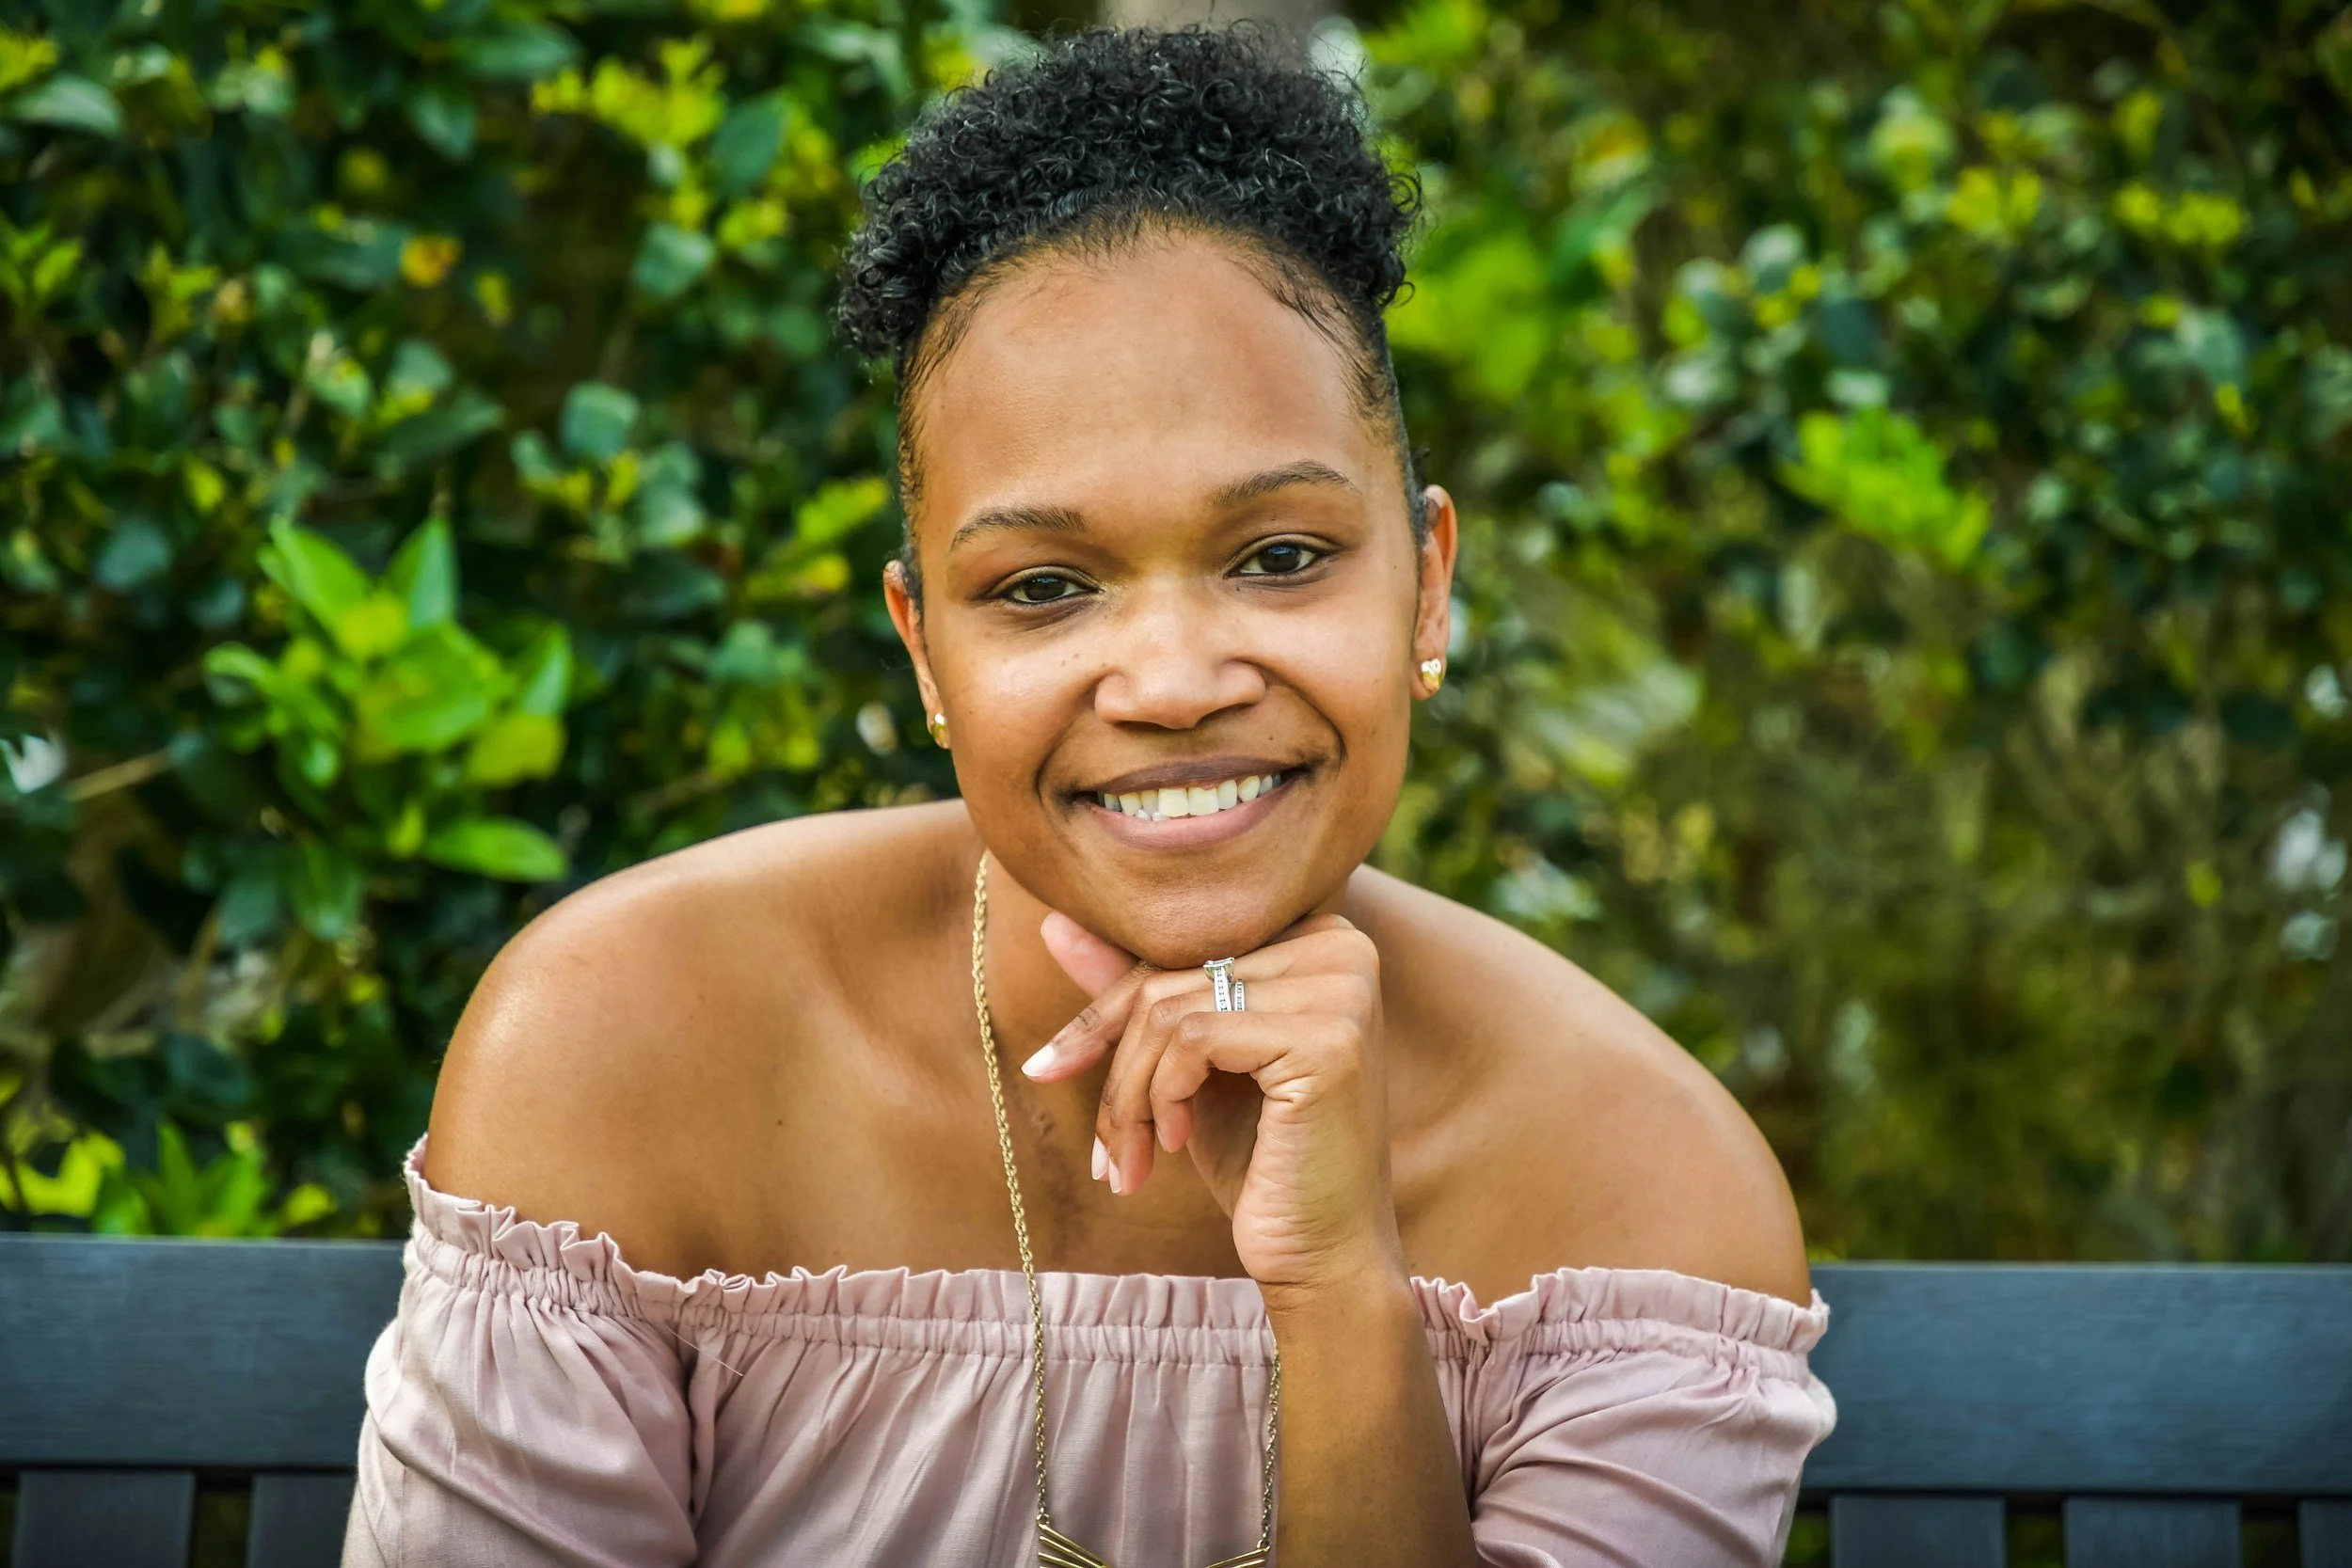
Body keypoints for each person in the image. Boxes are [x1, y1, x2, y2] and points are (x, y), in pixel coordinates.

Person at [343, 26, 1835, 1568]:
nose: (1175, 678)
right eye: (1045, 586)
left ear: (1429, 588)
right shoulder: (625, 1039)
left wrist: (1340, 1290)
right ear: (926, 650)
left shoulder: (1638, 1183)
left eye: (1280, 556)